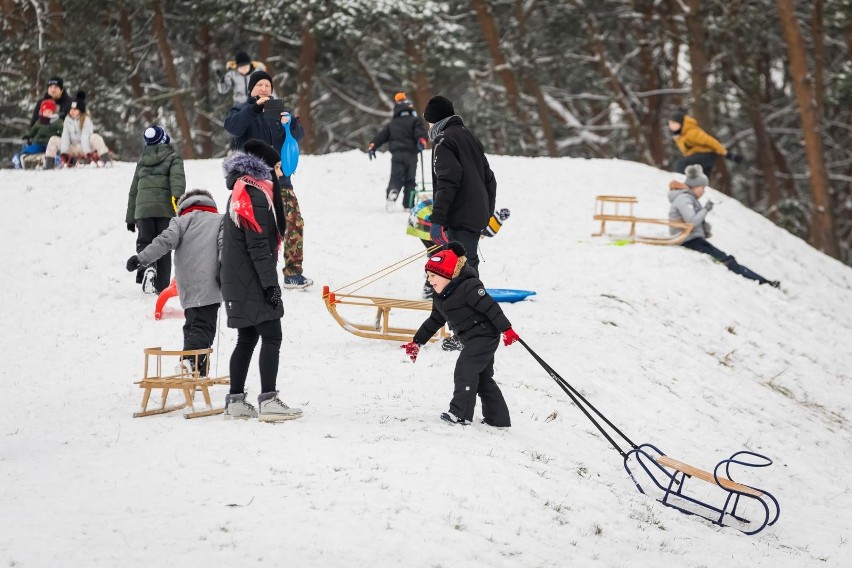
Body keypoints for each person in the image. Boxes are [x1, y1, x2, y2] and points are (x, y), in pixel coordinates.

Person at [219, 138, 303, 422]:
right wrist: (270, 285)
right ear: (264, 167)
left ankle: (235, 401)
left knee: (247, 337)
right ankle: (268, 401)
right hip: (252, 278)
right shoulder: (254, 194)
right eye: (277, 167)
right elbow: (257, 245)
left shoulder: (241, 191)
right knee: (272, 335)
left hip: (239, 277)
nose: (280, 174)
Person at [401, 242, 519, 426]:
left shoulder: (469, 287)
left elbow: (491, 307)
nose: (430, 280)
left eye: (433, 276)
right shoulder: (440, 295)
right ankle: (498, 419)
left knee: (465, 369)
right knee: (482, 378)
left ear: (447, 274)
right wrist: (417, 342)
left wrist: (507, 329)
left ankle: (460, 414)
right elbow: (434, 320)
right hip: (471, 337)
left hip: (484, 336)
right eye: (428, 276)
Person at [224, 70, 312, 289]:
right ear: (251, 89)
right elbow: (232, 127)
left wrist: (290, 124)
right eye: (259, 85)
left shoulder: (279, 111)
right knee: (255, 227)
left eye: (267, 85)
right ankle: (251, 272)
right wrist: (254, 109)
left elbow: (298, 136)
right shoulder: (241, 110)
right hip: (252, 181)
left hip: (281, 179)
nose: (264, 89)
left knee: (294, 222)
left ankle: (293, 273)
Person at [125, 189, 223, 375]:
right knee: (204, 327)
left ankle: (197, 373)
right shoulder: (220, 221)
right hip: (211, 281)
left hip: (186, 283)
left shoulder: (180, 221)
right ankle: (189, 363)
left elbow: (163, 241)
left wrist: (141, 259)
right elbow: (225, 246)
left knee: (192, 324)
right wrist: (225, 270)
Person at [669, 165, 780, 288]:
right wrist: (706, 209)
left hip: (692, 239)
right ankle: (763, 283)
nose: (704, 191)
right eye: (702, 187)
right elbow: (692, 221)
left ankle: (763, 281)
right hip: (689, 241)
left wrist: (704, 230)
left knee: (728, 259)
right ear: (694, 186)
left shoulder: (688, 199)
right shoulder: (684, 199)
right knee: (728, 261)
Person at [422, 95, 497, 275]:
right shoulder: (469, 137)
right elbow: (490, 180)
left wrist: (438, 219)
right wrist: (486, 212)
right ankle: (463, 301)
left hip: (460, 216)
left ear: (434, 121)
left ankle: (468, 302)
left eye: (429, 122)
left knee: (461, 271)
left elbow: (447, 182)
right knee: (463, 266)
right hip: (474, 215)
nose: (428, 127)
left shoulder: (443, 141)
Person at [125, 125, 186, 294]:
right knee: (164, 245)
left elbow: (133, 191)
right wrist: (178, 199)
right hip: (165, 210)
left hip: (143, 212)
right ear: (164, 138)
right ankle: (162, 287)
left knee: (145, 242)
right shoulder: (173, 158)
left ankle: (148, 268)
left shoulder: (142, 162)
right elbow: (177, 180)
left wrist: (130, 217)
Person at [368, 91, 428, 211]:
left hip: (397, 155)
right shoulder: (415, 121)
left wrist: (373, 145)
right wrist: (421, 140)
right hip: (411, 154)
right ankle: (408, 204)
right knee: (410, 180)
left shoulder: (393, 124)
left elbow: (381, 136)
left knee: (396, 177)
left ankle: (393, 193)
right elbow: (419, 132)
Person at [47, 91, 112, 168]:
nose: (72, 111)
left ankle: (106, 161)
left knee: (96, 137)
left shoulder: (86, 120)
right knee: (53, 139)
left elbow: (85, 136)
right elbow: (65, 136)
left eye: (75, 109)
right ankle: (49, 165)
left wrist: (87, 152)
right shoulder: (67, 120)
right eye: (71, 109)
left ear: (80, 111)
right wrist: (64, 152)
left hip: (85, 147)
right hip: (72, 147)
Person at [668, 111, 740, 176]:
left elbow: (711, 141)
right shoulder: (680, 136)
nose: (670, 126)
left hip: (706, 155)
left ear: (680, 123)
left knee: (681, 164)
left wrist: (727, 154)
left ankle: (679, 182)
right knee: (699, 179)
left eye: (674, 123)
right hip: (701, 157)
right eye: (670, 123)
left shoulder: (691, 132)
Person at [13, 99, 62, 170]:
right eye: (45, 111)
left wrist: (60, 134)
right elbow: (33, 131)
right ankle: (19, 159)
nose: (47, 113)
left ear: (53, 112)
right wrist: (28, 136)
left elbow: (62, 131)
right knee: (29, 149)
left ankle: (56, 160)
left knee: (53, 151)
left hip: (51, 144)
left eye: (49, 111)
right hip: (39, 143)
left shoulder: (57, 121)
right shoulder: (39, 122)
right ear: (42, 112)